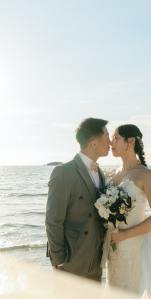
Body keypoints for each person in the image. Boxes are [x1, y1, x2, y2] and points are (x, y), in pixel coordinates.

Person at [45, 117, 111, 281]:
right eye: (107, 137)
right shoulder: (64, 172)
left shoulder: (101, 173)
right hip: (71, 262)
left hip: (96, 263)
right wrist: (59, 260)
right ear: (94, 143)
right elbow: (53, 219)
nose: (110, 143)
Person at [106, 124, 151, 293]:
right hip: (113, 248)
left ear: (130, 141)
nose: (111, 143)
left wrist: (125, 234)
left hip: (134, 245)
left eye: (116, 138)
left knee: (132, 293)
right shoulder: (112, 174)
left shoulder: (146, 175)